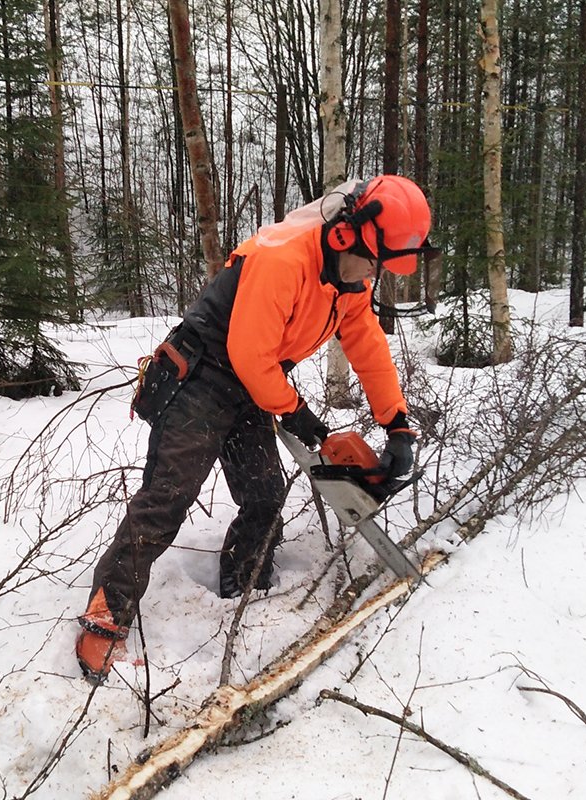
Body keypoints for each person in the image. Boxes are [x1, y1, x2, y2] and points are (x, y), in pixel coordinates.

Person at [75, 175, 434, 682]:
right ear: (345, 236)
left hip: (252, 381)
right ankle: (106, 613)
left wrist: (396, 425)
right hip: (202, 375)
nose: (374, 274)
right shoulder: (283, 260)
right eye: (374, 261)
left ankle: (245, 585)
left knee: (264, 493)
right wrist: (297, 413)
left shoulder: (350, 279)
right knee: (167, 499)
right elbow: (247, 353)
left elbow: (366, 344)